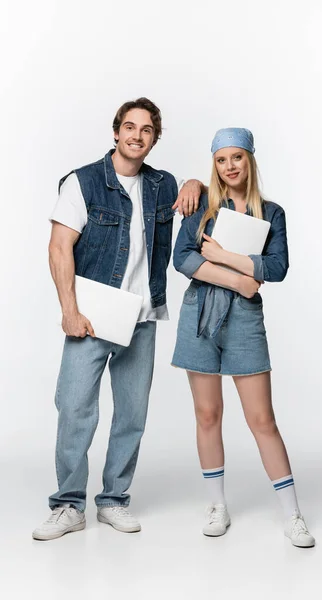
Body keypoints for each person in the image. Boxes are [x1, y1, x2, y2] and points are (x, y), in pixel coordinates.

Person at [33, 98, 204, 541]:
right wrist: (69, 311)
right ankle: (69, 504)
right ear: (116, 131)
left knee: (131, 414)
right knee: (74, 409)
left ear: (154, 138)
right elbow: (58, 248)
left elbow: (202, 196)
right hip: (91, 316)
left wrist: (196, 183)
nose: (137, 136)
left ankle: (113, 500)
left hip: (141, 318)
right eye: (130, 127)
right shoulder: (83, 182)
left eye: (147, 130)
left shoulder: (163, 185)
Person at [172, 127, 315, 547]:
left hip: (245, 323)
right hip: (199, 315)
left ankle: (292, 514)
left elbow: (277, 267)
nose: (229, 166)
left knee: (262, 420)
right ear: (213, 165)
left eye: (237, 157)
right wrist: (240, 280)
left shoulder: (272, 213)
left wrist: (222, 257)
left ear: (250, 160)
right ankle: (216, 505)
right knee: (207, 415)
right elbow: (182, 258)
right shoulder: (202, 208)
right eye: (221, 159)